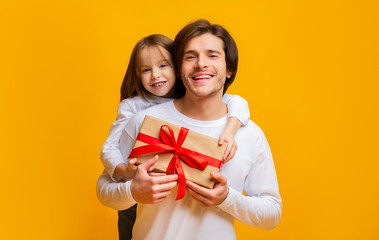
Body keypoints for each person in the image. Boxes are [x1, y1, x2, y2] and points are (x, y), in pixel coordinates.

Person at [97, 19, 282, 240]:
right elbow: (104, 188)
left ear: (229, 68)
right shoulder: (143, 120)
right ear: (179, 70)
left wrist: (227, 199)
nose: (201, 64)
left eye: (212, 55)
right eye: (190, 56)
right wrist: (132, 191)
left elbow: (272, 213)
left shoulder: (249, 134)